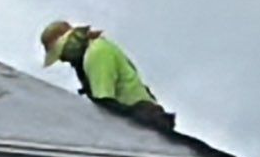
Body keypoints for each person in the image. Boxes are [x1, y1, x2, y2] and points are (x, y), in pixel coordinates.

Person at [40, 20, 175, 132]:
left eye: (61, 53)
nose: (63, 59)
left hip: (143, 119)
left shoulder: (97, 53)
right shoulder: (94, 52)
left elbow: (104, 104)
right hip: (138, 119)